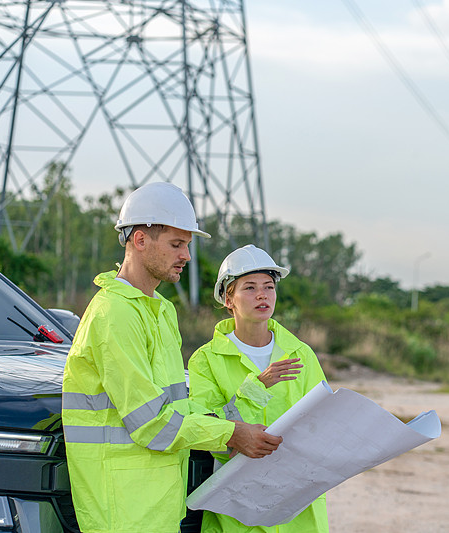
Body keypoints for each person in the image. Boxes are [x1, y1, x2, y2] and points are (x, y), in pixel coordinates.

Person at [62, 182, 283, 533]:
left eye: (187, 245)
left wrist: (246, 401)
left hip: (157, 504)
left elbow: (176, 408)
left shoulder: (161, 310)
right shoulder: (114, 315)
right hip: (122, 510)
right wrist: (231, 434)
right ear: (140, 240)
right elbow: (151, 424)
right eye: (177, 244)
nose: (187, 256)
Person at [188, 244, 330, 533]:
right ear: (229, 299)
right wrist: (257, 387)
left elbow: (323, 421)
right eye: (250, 288)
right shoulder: (206, 360)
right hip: (238, 505)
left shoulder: (300, 354)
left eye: (269, 287)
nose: (262, 295)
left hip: (296, 503)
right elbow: (207, 429)